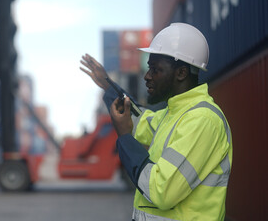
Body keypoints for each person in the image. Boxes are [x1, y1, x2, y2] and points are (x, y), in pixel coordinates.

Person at [80, 23, 232, 221]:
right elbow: (139, 119)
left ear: (181, 73)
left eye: (155, 69)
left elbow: (161, 191)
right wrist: (108, 85)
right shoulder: (174, 114)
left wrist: (125, 138)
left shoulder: (202, 120)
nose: (147, 75)